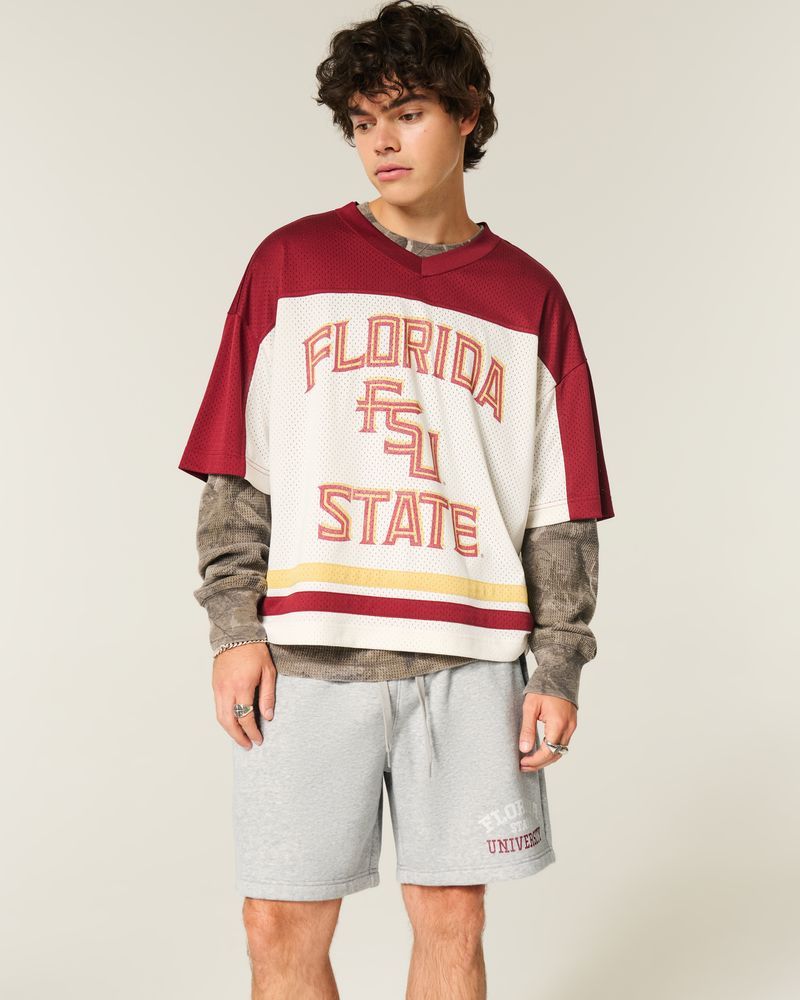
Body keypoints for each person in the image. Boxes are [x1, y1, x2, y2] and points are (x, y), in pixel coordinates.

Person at [178, 3, 614, 997]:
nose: (380, 140)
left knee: (453, 915)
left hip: (470, 661)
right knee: (277, 919)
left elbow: (560, 508)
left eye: (407, 113)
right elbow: (239, 467)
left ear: (468, 115)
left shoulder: (529, 296)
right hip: (309, 655)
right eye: (362, 120)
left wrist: (558, 664)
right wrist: (233, 627)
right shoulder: (290, 264)